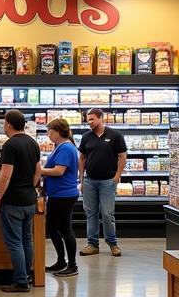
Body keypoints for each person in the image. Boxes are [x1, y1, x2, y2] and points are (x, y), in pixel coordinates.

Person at [0, 109, 42, 293]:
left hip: (12, 201)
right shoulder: (33, 142)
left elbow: (5, 176)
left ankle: (21, 281)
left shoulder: (10, 145)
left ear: (9, 124)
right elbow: (38, 171)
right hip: (29, 200)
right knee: (27, 240)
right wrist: (29, 187)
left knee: (14, 242)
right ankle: (27, 276)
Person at [78, 107, 126, 257]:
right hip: (90, 181)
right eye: (88, 119)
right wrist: (81, 178)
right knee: (91, 213)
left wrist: (117, 175)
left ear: (100, 118)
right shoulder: (86, 137)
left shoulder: (115, 135)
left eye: (92, 119)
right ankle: (92, 244)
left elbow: (123, 157)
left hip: (107, 181)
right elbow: (82, 158)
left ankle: (113, 244)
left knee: (107, 213)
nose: (89, 122)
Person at [41, 118, 80, 277]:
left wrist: (39, 171)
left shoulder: (65, 148)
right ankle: (61, 261)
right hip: (57, 194)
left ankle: (72, 265)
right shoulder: (61, 146)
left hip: (64, 195)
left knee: (65, 229)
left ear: (58, 132)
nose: (48, 135)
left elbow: (59, 171)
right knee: (52, 228)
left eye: (50, 132)